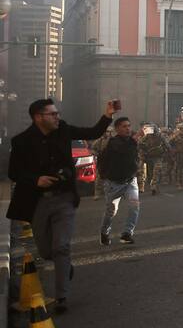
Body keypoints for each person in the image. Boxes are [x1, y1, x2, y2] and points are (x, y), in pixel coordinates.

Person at [6, 99, 116, 314]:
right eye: (52, 114)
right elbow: (13, 172)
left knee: (62, 247)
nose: (58, 117)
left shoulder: (63, 130)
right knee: (47, 250)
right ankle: (64, 267)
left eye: (57, 113)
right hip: (37, 201)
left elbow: (93, 132)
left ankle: (62, 296)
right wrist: (35, 179)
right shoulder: (21, 141)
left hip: (64, 198)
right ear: (38, 117)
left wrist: (108, 115)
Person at [98, 117, 140, 245]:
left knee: (134, 206)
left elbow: (134, 157)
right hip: (114, 183)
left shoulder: (132, 141)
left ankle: (127, 233)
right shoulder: (113, 142)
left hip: (130, 181)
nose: (127, 129)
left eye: (129, 126)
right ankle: (104, 232)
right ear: (117, 129)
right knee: (111, 211)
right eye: (124, 126)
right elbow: (124, 151)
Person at [139, 124, 170, 196]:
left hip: (158, 157)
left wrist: (169, 153)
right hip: (148, 157)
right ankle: (143, 185)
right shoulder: (147, 136)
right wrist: (143, 151)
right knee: (145, 172)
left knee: (156, 171)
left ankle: (154, 186)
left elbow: (167, 145)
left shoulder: (160, 137)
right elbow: (140, 144)